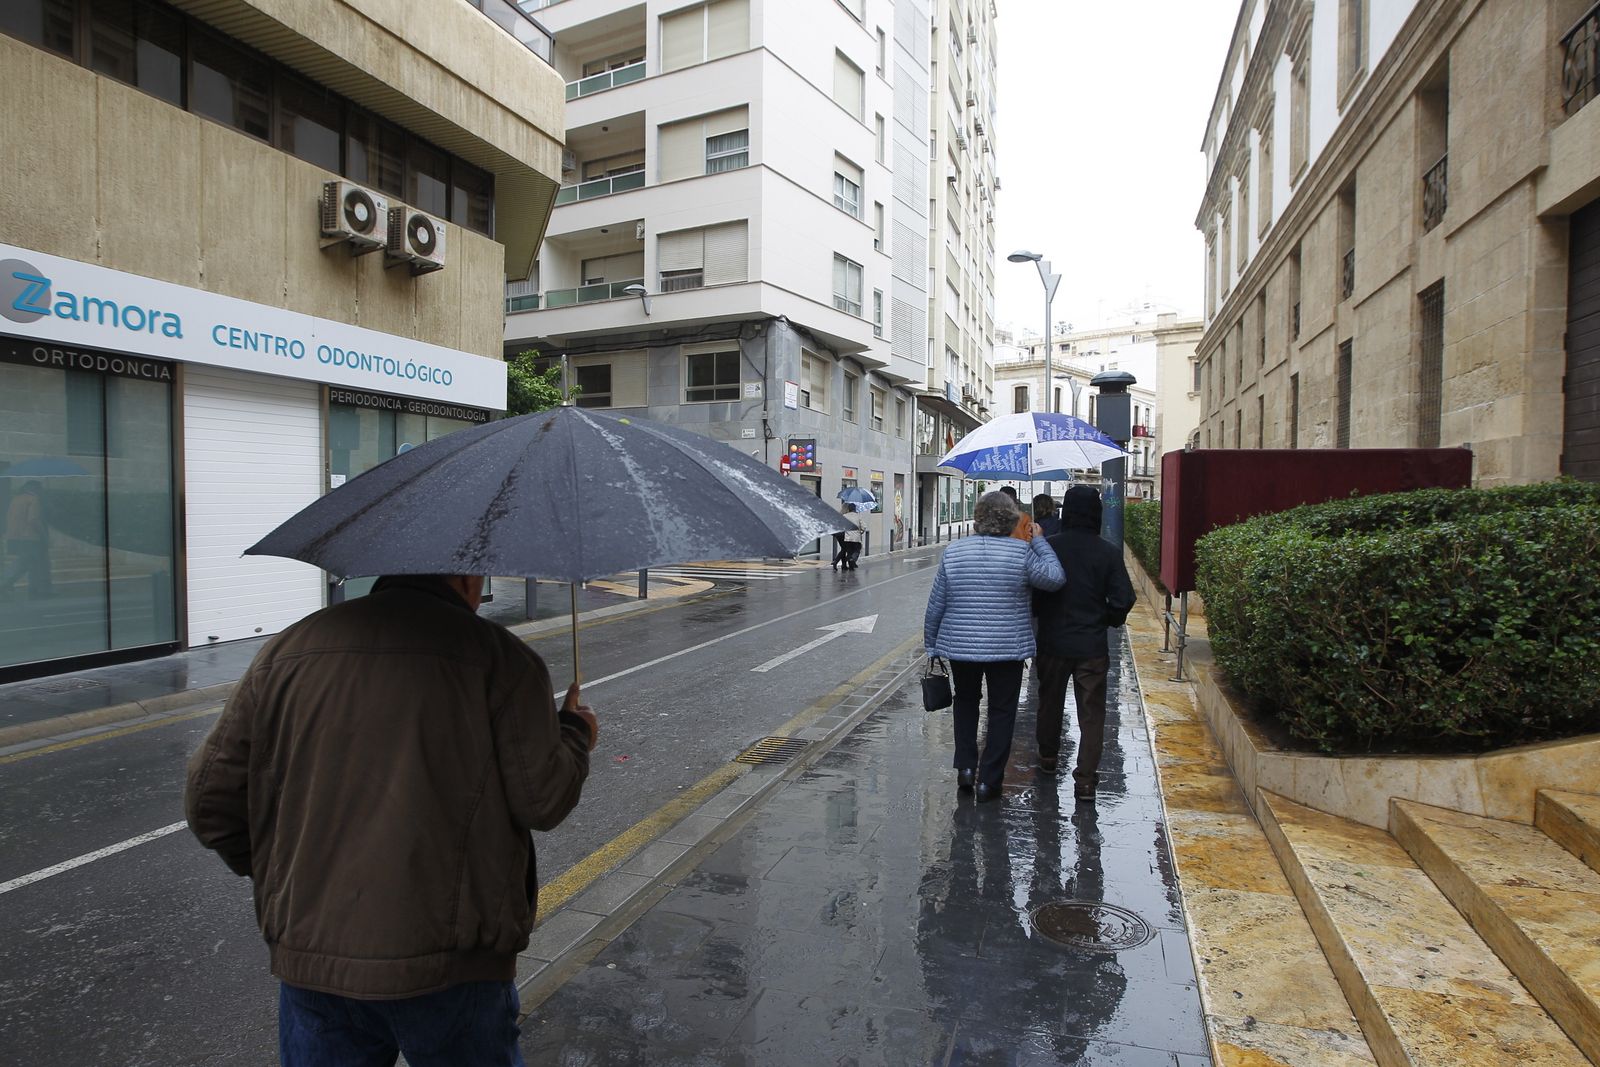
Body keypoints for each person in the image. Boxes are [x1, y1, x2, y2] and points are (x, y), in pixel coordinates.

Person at [185, 574, 596, 1067]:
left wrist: (291, 879)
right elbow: (544, 799)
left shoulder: (288, 651)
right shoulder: (500, 659)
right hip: (454, 968)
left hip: (315, 958)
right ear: (465, 574)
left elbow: (211, 801)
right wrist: (573, 731)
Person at [924, 491, 1065, 803]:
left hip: (961, 646)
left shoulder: (954, 551)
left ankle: (965, 768)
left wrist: (932, 644)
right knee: (1002, 711)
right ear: (1012, 520)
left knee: (966, 702)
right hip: (1007, 647)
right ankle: (990, 780)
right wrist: (1038, 540)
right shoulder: (1021, 552)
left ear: (977, 519)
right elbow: (1055, 578)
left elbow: (937, 604)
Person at [1033, 486, 1135, 802]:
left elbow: (1033, 593)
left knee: (1049, 702)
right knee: (1091, 713)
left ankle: (1048, 758)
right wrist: (1106, 619)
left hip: (1053, 641)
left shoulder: (1049, 548)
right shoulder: (1106, 552)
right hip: (1091, 645)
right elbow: (1124, 598)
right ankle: (1086, 780)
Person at [2, 480, 51, 599]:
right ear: (35, 488)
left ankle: (35, 589)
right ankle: (4, 584)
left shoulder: (16, 499)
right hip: (30, 537)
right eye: (40, 488)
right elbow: (33, 520)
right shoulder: (34, 499)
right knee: (25, 563)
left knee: (31, 563)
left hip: (15, 536)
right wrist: (44, 535)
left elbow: (9, 517)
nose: (42, 490)